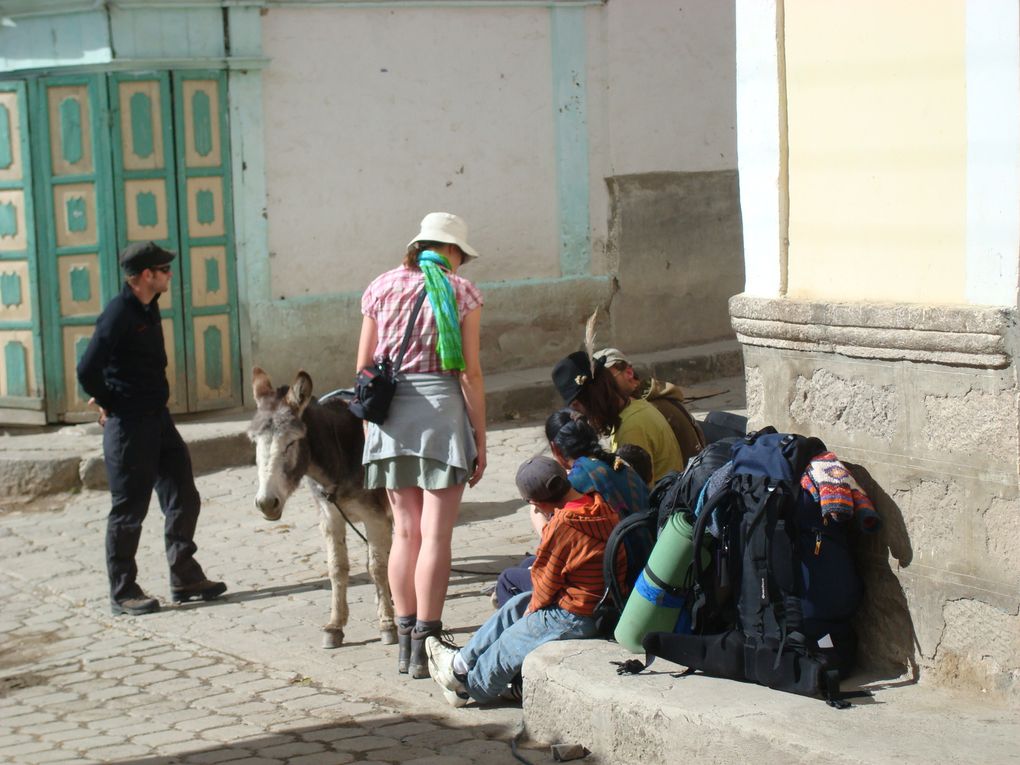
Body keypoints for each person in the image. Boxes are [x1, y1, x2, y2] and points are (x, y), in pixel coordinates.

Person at [356, 212, 486, 680]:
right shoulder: (462, 292)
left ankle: (405, 642)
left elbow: (365, 365)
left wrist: (371, 427)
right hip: (442, 416)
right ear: (452, 251)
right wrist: (481, 439)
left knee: (405, 534)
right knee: (436, 536)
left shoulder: (379, 287)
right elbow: (469, 373)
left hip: (389, 420)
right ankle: (429, 640)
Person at [76, 242, 226, 616]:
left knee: (184, 495)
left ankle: (185, 576)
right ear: (147, 275)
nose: (170, 275)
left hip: (158, 419)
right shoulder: (118, 313)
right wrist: (108, 400)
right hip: (129, 426)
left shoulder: (149, 306)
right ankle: (123, 591)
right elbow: (87, 369)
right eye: (164, 269)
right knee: (129, 510)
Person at [425, 455, 624, 706]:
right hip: (595, 603)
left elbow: (545, 579)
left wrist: (533, 612)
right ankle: (459, 664)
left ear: (536, 502)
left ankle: (469, 688)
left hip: (577, 613)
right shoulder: (598, 505)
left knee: (512, 640)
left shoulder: (563, 525)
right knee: (516, 605)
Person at [492, 410, 650, 608]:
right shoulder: (620, 465)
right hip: (645, 561)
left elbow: (559, 541)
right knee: (526, 565)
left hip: (614, 580)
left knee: (509, 578)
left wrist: (539, 516)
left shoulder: (574, 484)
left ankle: (524, 628)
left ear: (555, 449)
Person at [551, 350, 682, 483]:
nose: (579, 415)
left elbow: (635, 492)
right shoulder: (634, 405)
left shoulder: (631, 428)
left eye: (576, 407)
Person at [592, 347, 706, 466]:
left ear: (629, 373)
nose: (602, 388)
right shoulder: (638, 402)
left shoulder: (643, 410)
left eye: (607, 380)